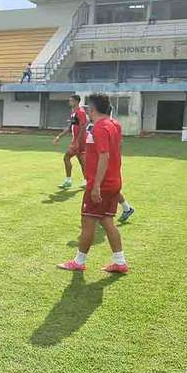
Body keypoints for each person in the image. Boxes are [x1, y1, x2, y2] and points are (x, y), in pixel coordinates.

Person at [58, 93, 128, 274]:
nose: (87, 109)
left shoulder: (100, 127)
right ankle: (120, 262)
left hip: (101, 184)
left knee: (88, 221)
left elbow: (105, 156)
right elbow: (115, 151)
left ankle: (79, 261)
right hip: (113, 182)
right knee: (106, 220)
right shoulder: (114, 125)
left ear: (93, 108)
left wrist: (96, 184)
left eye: (89, 106)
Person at [53, 95, 88, 189]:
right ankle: (86, 181)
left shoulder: (80, 112)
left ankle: (68, 181)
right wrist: (59, 136)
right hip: (78, 140)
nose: (69, 102)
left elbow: (83, 127)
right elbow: (69, 127)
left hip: (80, 140)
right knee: (82, 161)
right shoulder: (74, 112)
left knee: (66, 157)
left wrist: (77, 141)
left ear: (76, 101)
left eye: (71, 100)